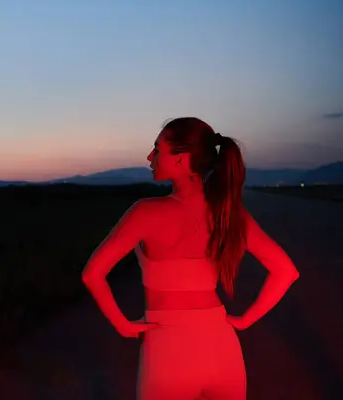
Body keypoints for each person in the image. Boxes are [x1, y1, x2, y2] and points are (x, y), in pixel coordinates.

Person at [81, 117, 300, 399]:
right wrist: (245, 320)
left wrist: (123, 325)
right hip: (223, 348)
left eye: (157, 149)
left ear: (181, 159)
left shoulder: (145, 212)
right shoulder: (228, 214)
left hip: (167, 349)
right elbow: (286, 271)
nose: (150, 157)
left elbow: (92, 274)